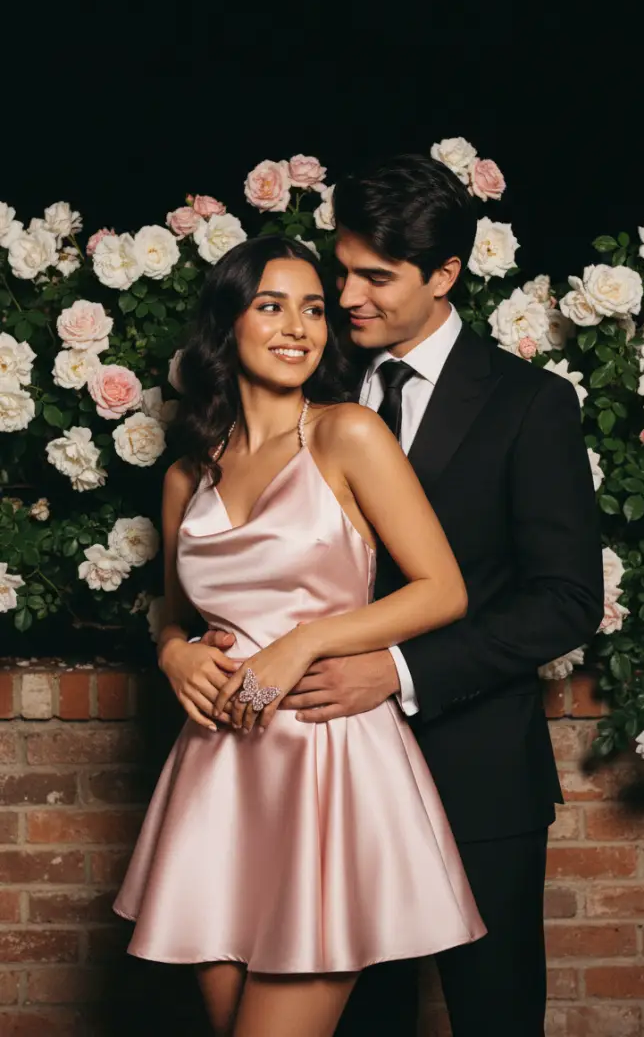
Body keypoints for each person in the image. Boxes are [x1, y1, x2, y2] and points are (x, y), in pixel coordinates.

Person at [205, 155, 605, 1036]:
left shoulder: (529, 404)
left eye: (376, 278)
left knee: (495, 1016)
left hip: (474, 771)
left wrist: (397, 669)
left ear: (445, 274)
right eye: (342, 270)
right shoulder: (315, 380)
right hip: (318, 772)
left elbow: (566, 598)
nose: (347, 297)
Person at [113, 233, 486, 1037]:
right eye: (272, 305)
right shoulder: (187, 474)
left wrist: (304, 642)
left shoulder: (348, 434)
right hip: (218, 773)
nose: (299, 327)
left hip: (327, 758)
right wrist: (173, 652)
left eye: (314, 309)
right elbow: (176, 615)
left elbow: (444, 590)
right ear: (228, 324)